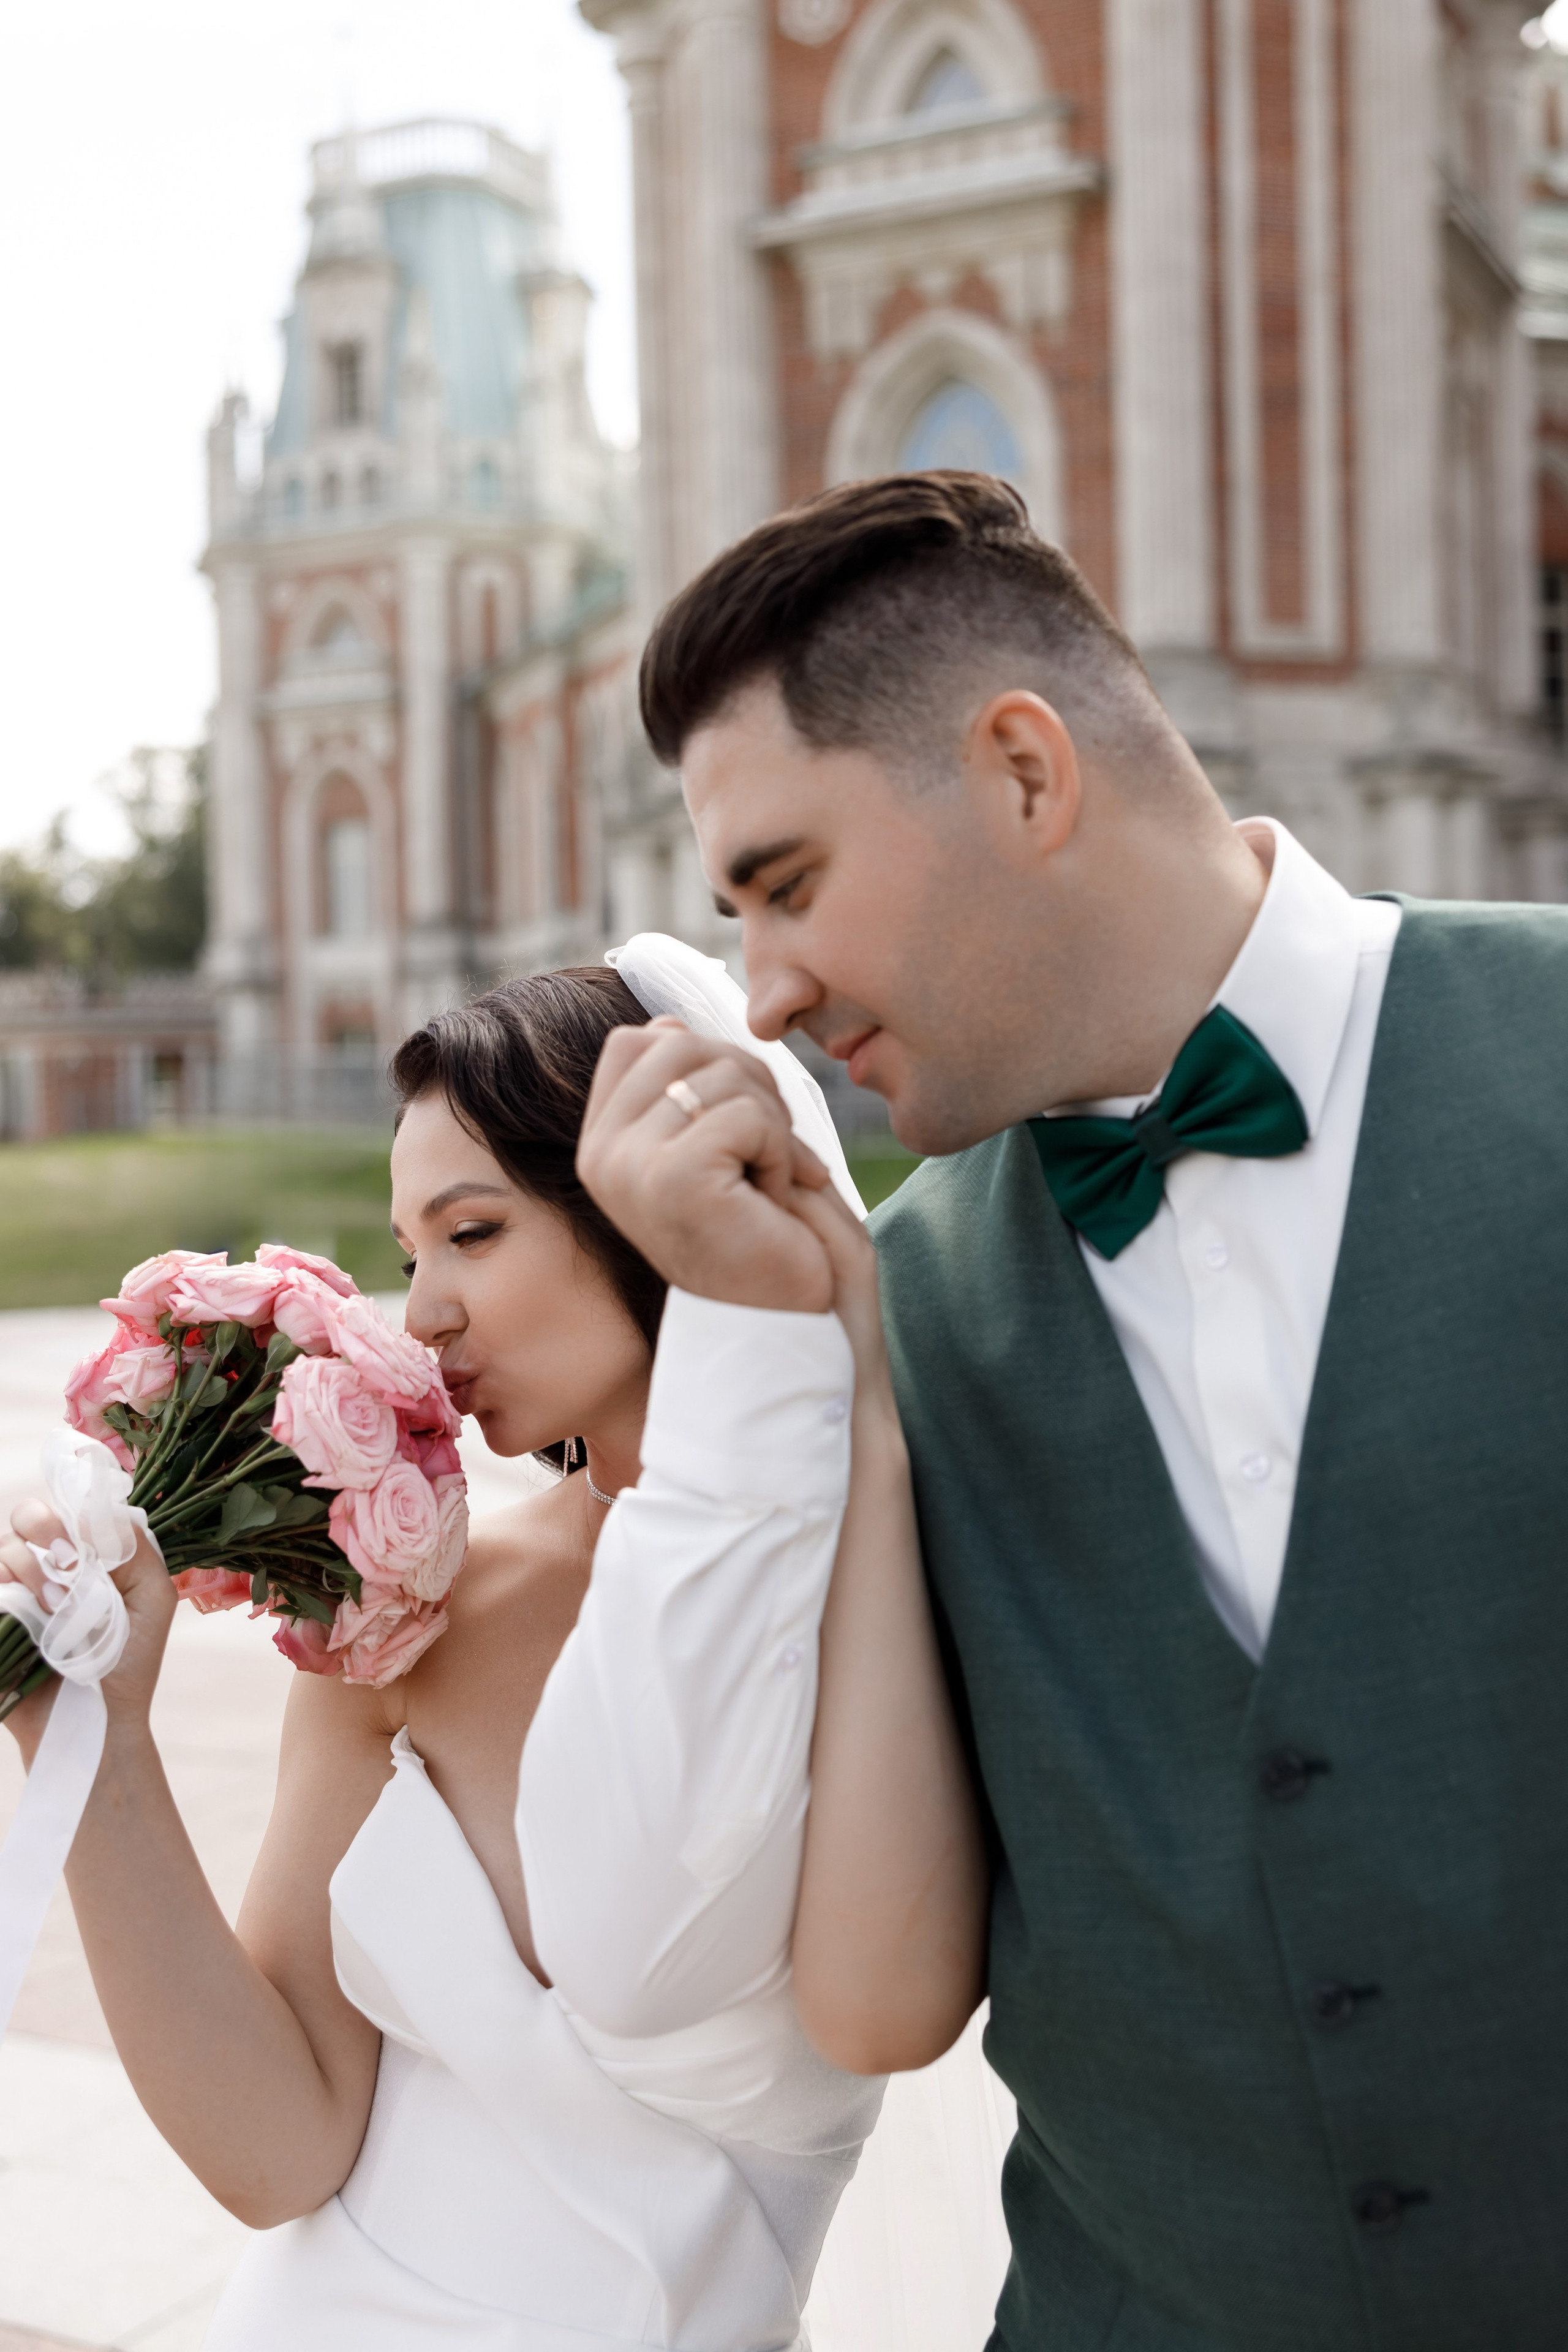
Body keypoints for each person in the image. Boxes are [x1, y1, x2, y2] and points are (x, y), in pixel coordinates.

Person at [575, 470, 1568, 2352]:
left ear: (1028, 773)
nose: (764, 996)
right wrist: (810, 1373)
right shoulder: (899, 1305)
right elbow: (873, 2004)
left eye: (787, 884)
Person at [0, 942, 986, 2351]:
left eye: (473, 1234)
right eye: (410, 1256)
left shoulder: (884, 1593)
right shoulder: (410, 1610)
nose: (425, 1317)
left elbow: (895, 1997)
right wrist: (86, 1726)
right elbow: (277, 2152)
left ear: (652, 1207)